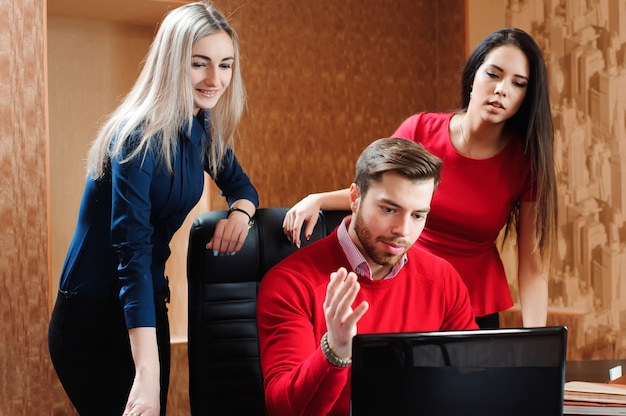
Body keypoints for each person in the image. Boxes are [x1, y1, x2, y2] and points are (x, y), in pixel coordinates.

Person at [48, 3, 259, 416]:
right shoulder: (137, 138)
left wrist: (241, 213)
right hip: (91, 317)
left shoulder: (202, 126)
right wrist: (146, 372)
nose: (214, 79)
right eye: (199, 64)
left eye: (225, 65)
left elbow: (240, 184)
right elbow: (132, 253)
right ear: (173, 62)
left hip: (146, 301)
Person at [283, 27, 557, 330]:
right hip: (406, 286)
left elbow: (532, 266)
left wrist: (539, 345)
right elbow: (376, 196)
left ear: (525, 98)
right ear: (472, 77)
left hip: (473, 299)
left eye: (518, 84)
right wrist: (318, 199)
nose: (502, 89)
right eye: (493, 74)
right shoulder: (421, 129)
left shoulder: (526, 161)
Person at [258, 138, 478, 416]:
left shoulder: (443, 279)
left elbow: (472, 378)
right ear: (354, 198)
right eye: (389, 209)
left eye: (418, 215)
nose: (403, 230)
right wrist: (335, 351)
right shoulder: (290, 283)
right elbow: (283, 410)